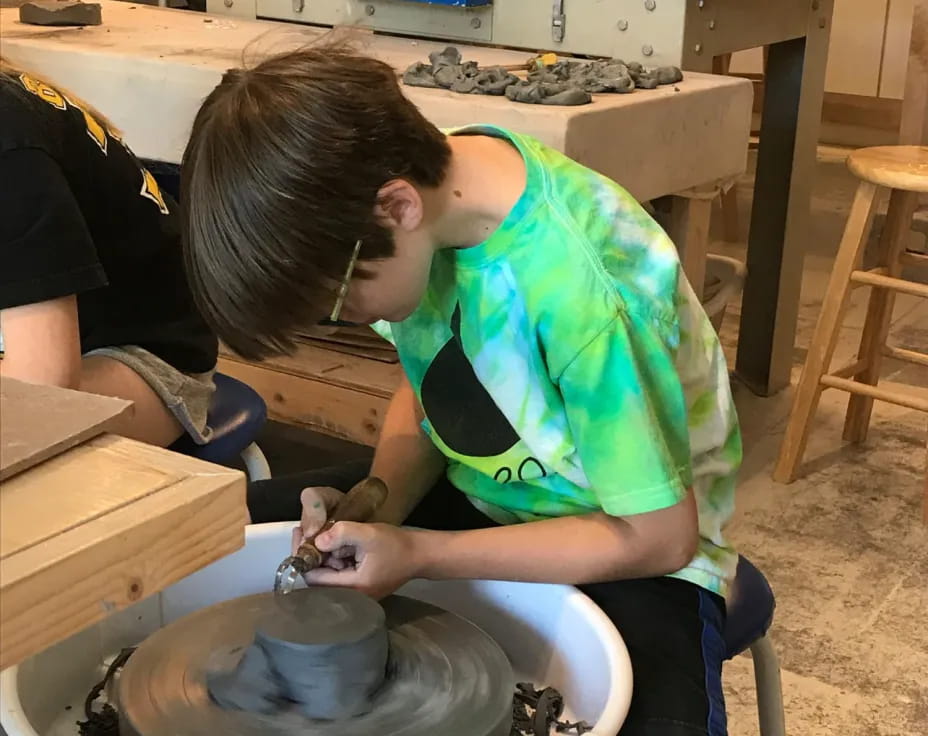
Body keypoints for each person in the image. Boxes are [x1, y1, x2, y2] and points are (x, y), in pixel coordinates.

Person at [181, 46, 741, 736]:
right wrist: (377, 502)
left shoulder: (581, 297)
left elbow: (661, 538)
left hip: (629, 541)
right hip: (484, 487)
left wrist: (422, 554)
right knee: (198, 534)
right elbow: (430, 397)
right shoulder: (424, 203)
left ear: (397, 207)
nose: (352, 324)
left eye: (337, 308)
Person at [0, 60, 217, 447]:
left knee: (21, 432)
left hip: (145, 359)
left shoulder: (10, 149)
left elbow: (41, 392)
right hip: (40, 350)